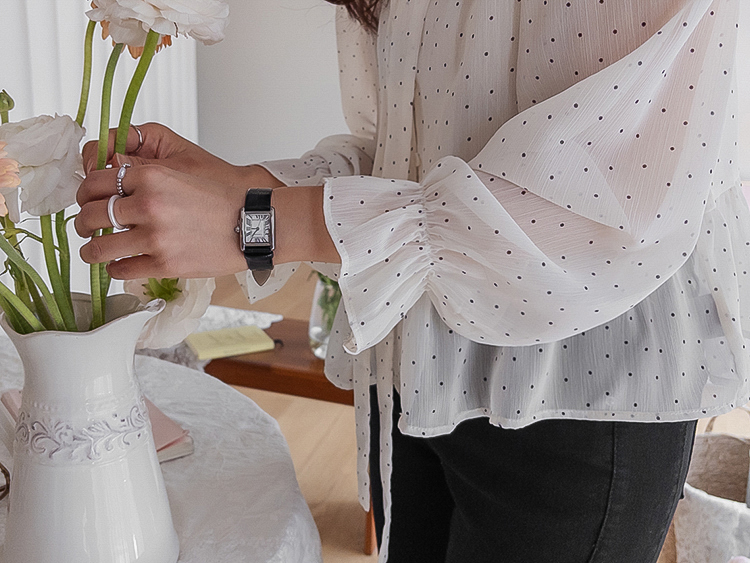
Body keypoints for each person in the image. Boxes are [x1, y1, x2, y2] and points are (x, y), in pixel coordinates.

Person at [76, 0, 749, 561]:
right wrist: (249, 189)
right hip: (420, 366)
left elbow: (606, 199)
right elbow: (412, 152)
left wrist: (256, 223)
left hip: (578, 392)